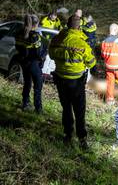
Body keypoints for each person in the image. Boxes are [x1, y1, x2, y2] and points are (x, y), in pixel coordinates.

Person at [49, 15, 97, 149]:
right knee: (79, 111)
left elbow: (52, 54)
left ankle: (68, 135)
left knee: (66, 108)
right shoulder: (82, 43)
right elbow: (91, 62)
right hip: (76, 82)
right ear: (79, 26)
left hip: (60, 80)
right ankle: (82, 139)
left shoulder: (57, 38)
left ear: (67, 25)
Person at [15, 14, 47, 114]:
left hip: (24, 63)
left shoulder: (19, 33)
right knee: (38, 86)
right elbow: (38, 53)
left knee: (27, 83)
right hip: (33, 63)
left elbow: (18, 48)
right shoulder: (35, 37)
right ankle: (38, 109)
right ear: (36, 24)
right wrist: (43, 56)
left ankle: (25, 103)